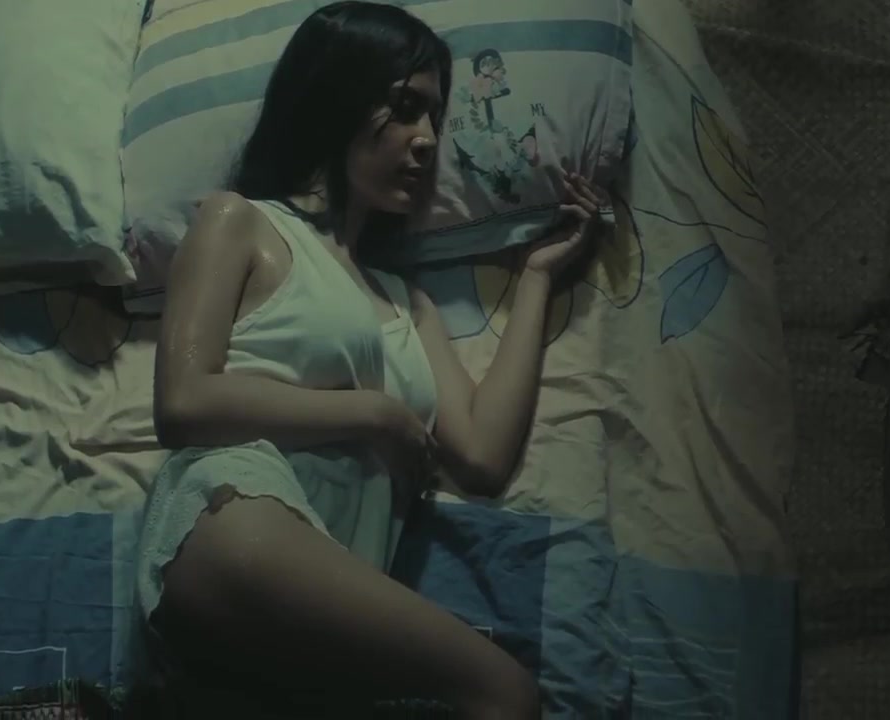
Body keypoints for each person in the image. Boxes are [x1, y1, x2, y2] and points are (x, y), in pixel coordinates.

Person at [134, 3, 600, 717]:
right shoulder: (241, 221)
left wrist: (535, 279)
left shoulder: (406, 301)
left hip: (330, 576)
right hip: (233, 514)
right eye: (405, 109)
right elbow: (183, 404)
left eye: (435, 118)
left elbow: (482, 456)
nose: (427, 140)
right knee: (502, 691)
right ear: (336, 98)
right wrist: (374, 414)